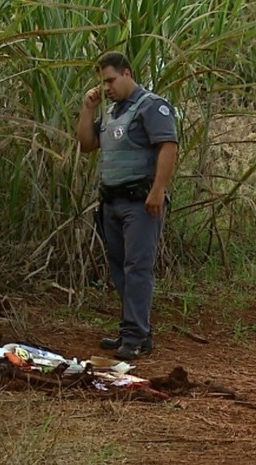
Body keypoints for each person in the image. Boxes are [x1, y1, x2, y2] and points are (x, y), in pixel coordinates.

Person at [76, 51, 178, 360]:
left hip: (140, 202)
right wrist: (87, 108)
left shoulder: (151, 106)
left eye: (111, 80)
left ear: (127, 74)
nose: (106, 87)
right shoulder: (111, 112)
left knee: (138, 268)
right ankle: (135, 332)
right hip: (112, 203)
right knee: (121, 268)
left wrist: (158, 190)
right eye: (102, 82)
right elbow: (86, 144)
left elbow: (168, 146)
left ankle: (134, 336)